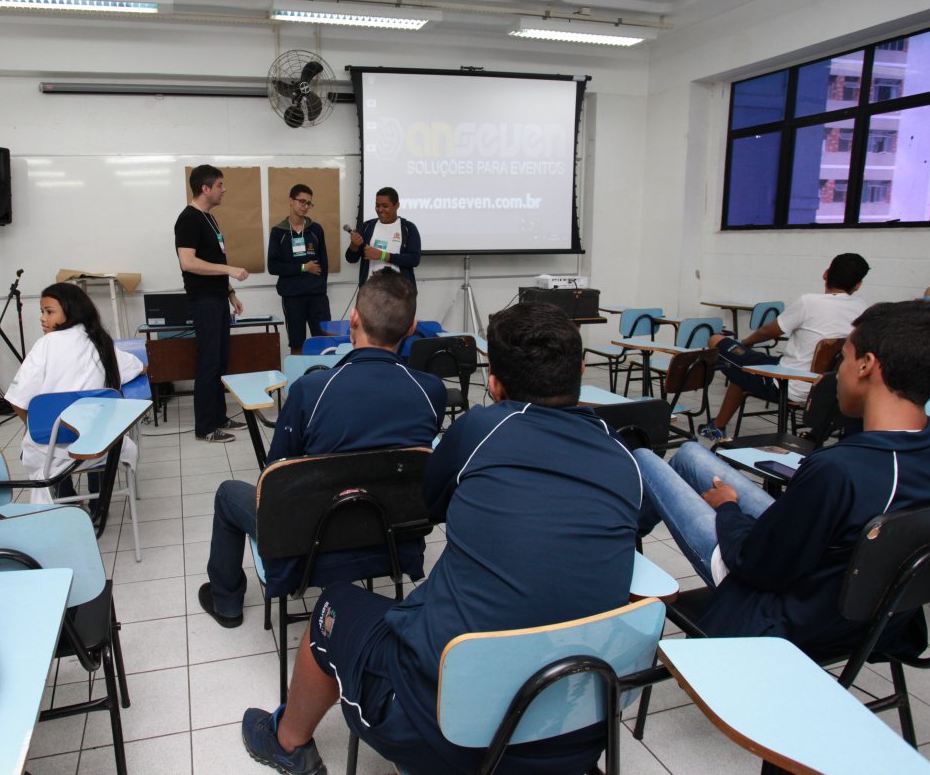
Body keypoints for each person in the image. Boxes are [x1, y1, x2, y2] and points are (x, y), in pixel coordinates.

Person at [241, 302, 642, 775]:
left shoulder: (481, 430)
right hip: (576, 730)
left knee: (333, 606)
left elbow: (431, 505)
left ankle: (287, 742)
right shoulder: (626, 461)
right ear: (580, 369)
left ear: (494, 383)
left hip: (441, 732)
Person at [638, 300, 930, 652]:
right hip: (877, 610)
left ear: (866, 365)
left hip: (782, 610)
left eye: (843, 358)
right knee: (692, 455)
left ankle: (614, 567)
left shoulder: (840, 469)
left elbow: (756, 565)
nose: (837, 372)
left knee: (644, 458)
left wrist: (728, 510)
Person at [198, 271, 446, 628]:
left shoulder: (311, 390)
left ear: (354, 319)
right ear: (412, 328)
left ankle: (227, 603)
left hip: (313, 547)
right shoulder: (431, 390)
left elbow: (276, 479)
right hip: (394, 545)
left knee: (228, 495)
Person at [699, 252, 870, 441]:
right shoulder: (862, 308)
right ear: (858, 284)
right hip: (829, 390)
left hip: (788, 383)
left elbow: (768, 331)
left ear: (825, 274)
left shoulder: (809, 302)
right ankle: (717, 425)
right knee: (743, 373)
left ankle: (716, 426)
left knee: (716, 340)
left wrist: (745, 343)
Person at [5, 282, 145, 502]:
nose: (43, 318)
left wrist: (33, 426)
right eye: (42, 312)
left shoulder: (45, 345)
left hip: (50, 444)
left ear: (71, 311)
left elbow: (17, 399)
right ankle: (100, 501)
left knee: (47, 442)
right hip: (99, 440)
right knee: (97, 435)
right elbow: (138, 366)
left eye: (49, 312)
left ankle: (66, 495)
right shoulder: (101, 342)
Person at [175, 164, 250, 443]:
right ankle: (205, 427)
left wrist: (230, 292)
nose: (224, 189)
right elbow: (188, 262)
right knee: (208, 363)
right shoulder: (188, 219)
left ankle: (219, 417)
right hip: (203, 301)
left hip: (217, 298)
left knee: (220, 361)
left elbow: (214, 260)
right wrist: (230, 270)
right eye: (220, 185)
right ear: (205, 189)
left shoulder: (210, 218)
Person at [267, 183, 332, 354]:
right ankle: (299, 379)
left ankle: (323, 378)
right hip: (293, 296)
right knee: (297, 344)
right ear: (290, 201)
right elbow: (273, 266)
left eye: (309, 203)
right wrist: (303, 268)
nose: (305, 206)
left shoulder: (316, 230)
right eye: (301, 202)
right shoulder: (278, 232)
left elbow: (324, 263)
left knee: (325, 342)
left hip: (317, 296)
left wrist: (319, 285)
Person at [345, 186, 422, 289]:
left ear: (397, 205)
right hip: (370, 292)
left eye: (385, 206)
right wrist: (353, 245)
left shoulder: (408, 228)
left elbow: (414, 259)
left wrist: (382, 255)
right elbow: (351, 259)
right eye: (377, 205)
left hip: (400, 293)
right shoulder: (367, 227)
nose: (380, 209)